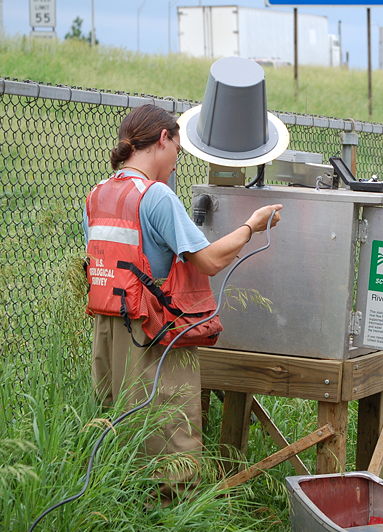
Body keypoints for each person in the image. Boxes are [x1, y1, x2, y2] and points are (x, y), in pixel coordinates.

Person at [83, 104, 282, 500]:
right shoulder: (155, 196)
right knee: (170, 437)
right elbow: (207, 261)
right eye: (177, 148)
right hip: (150, 332)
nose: (176, 162)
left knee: (120, 428)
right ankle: (176, 515)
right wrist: (251, 227)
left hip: (107, 331)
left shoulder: (98, 194)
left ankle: (121, 507)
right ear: (162, 139)